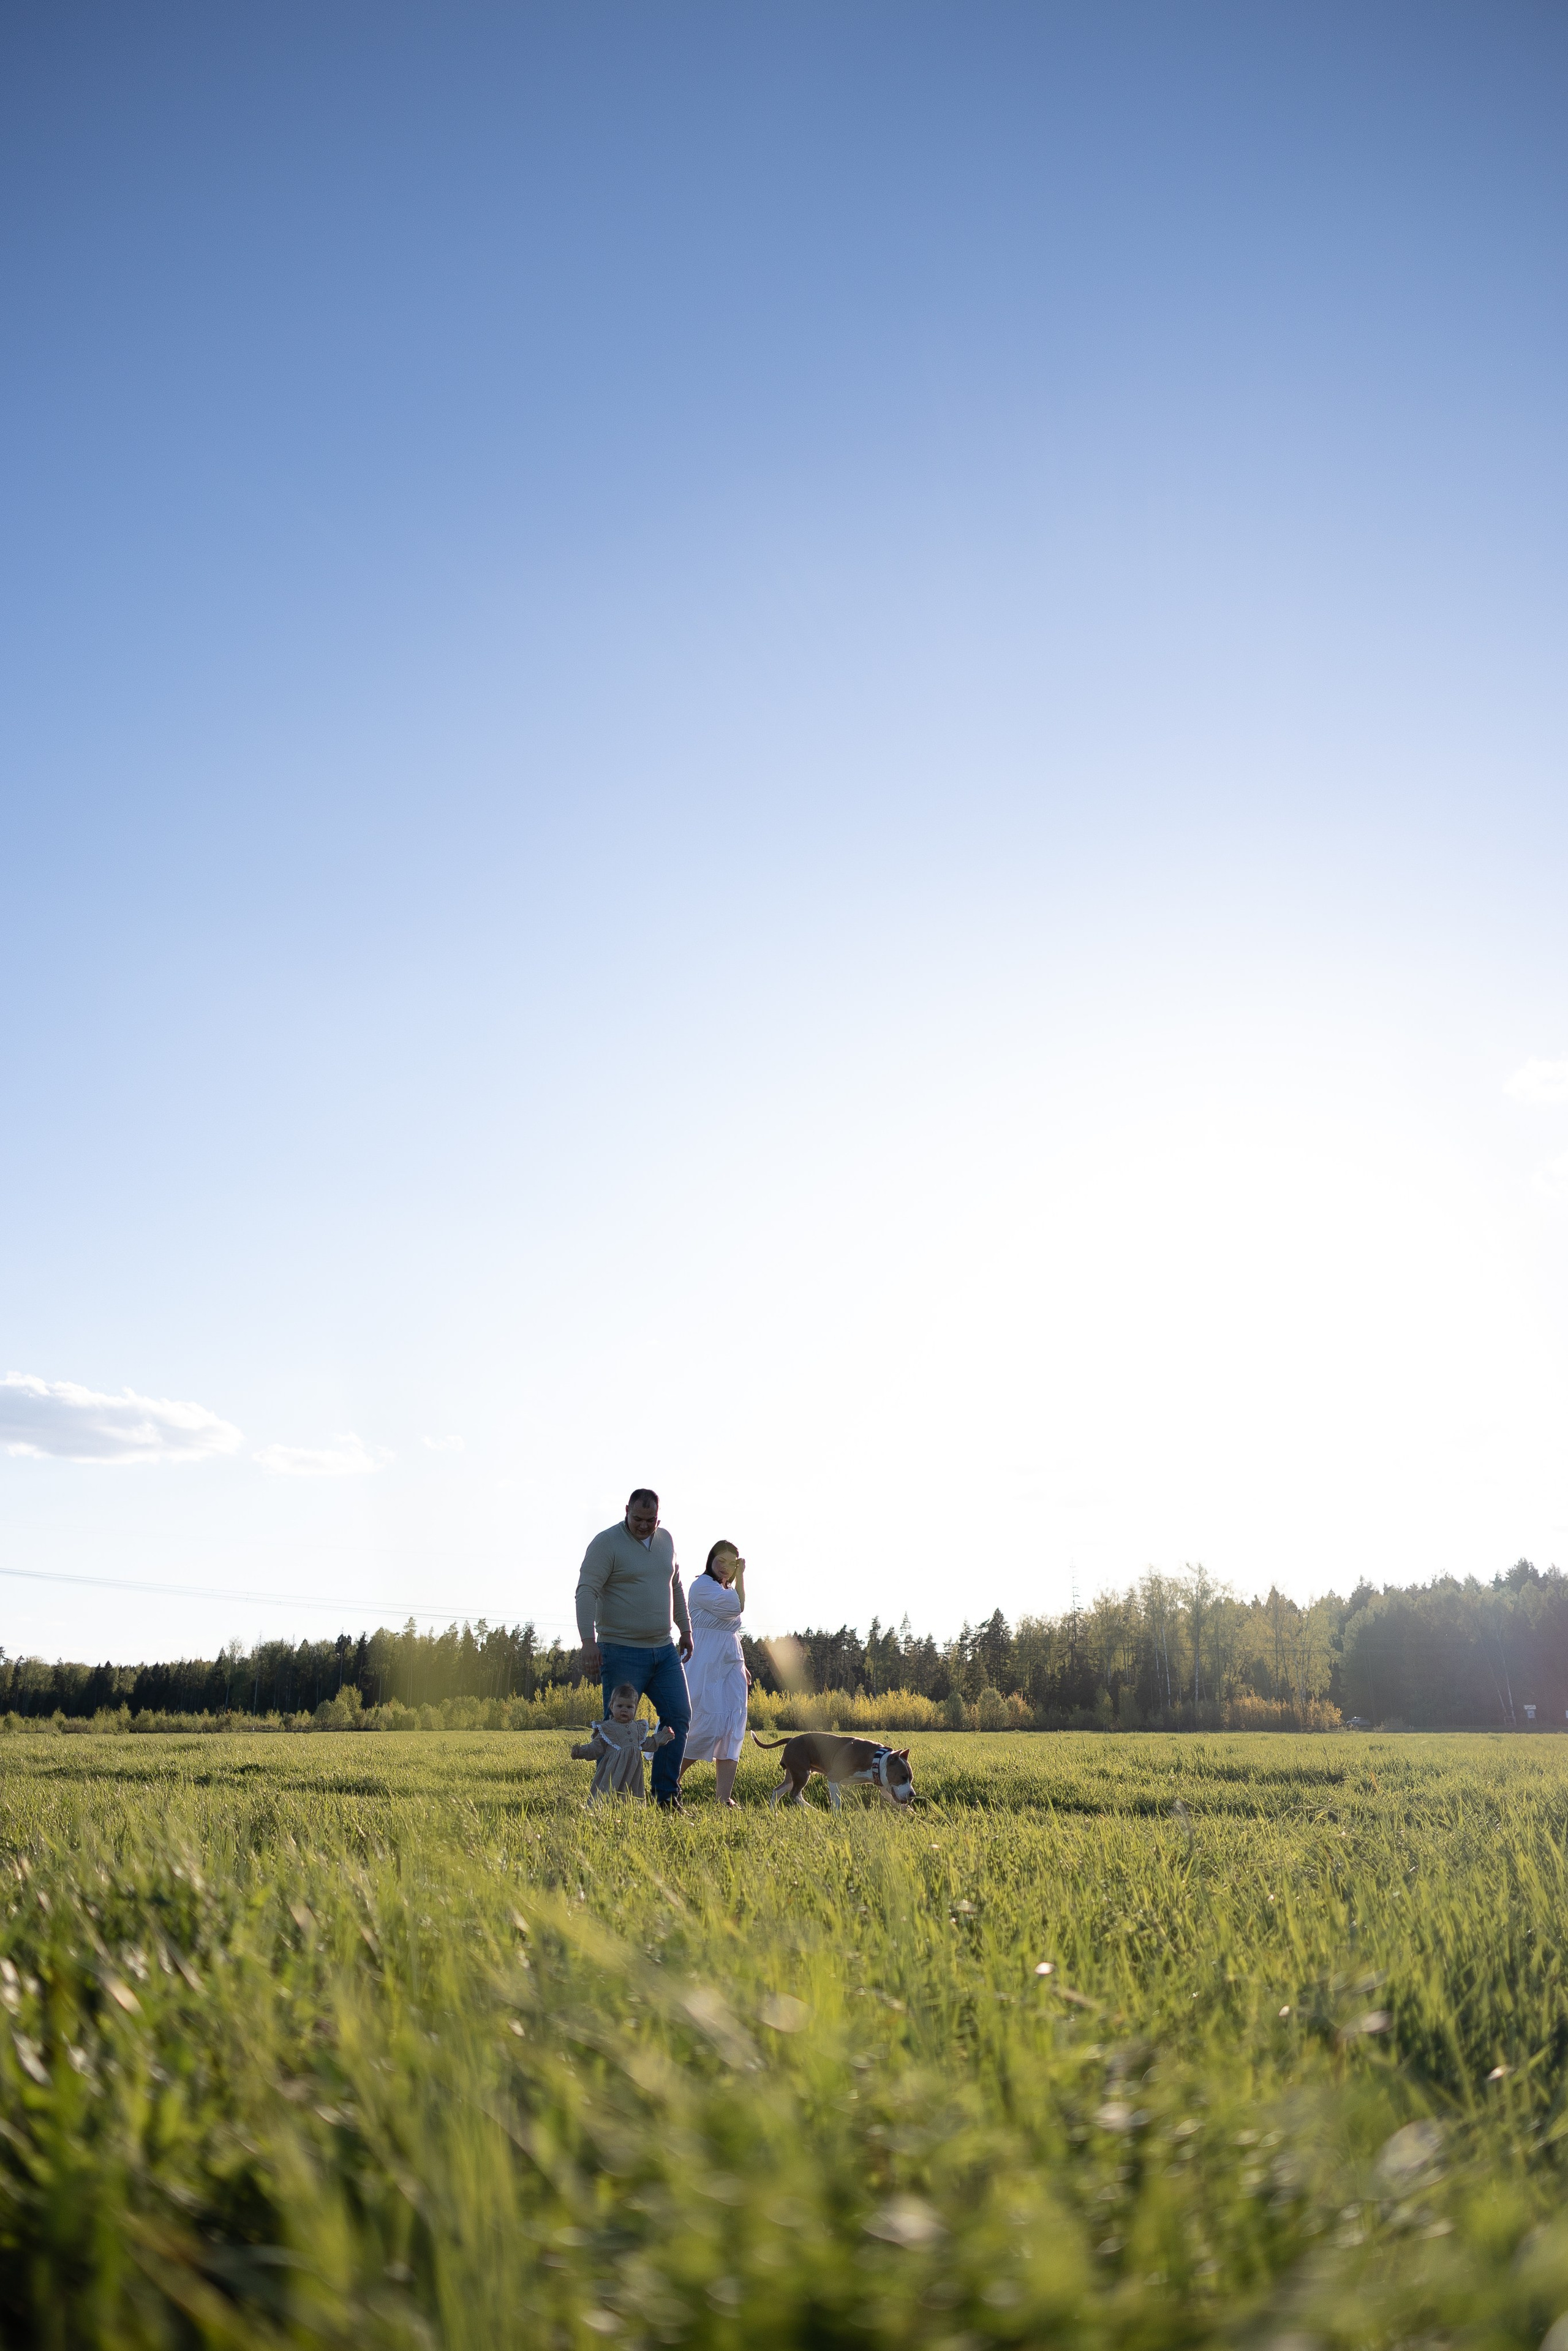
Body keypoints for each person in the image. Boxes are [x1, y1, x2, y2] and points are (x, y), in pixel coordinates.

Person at [575, 1487, 692, 1811]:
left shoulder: (666, 1540)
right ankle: (607, 1803)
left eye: (650, 1520)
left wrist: (686, 1629)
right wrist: (588, 1641)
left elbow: (676, 1585)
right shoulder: (606, 1543)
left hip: (664, 1649)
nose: (644, 1525)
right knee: (616, 1731)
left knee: (678, 1716)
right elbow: (586, 1590)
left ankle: (666, 1797)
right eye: (637, 1519)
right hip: (621, 1649)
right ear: (626, 1510)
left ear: (659, 1517)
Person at [680, 1541, 752, 1808]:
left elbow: (730, 1629)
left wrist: (741, 1663)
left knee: (733, 1723)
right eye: (720, 1560)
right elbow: (737, 1607)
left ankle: (724, 1798)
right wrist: (742, 1576)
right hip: (705, 1661)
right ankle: (668, 1784)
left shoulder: (726, 1589)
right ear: (711, 1559)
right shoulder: (703, 1587)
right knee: (701, 1723)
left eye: (731, 1563)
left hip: (730, 1661)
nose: (725, 1567)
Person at [571, 1683, 675, 1802]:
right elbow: (596, 1747)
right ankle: (604, 1810)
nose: (624, 1710)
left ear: (635, 1709)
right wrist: (581, 1752)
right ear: (612, 1706)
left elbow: (646, 1744)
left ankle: (629, 1811)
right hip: (614, 1771)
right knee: (609, 1793)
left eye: (629, 1707)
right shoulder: (608, 1728)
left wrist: (663, 1736)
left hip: (633, 1772)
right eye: (620, 1706)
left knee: (632, 1795)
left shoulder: (637, 1728)